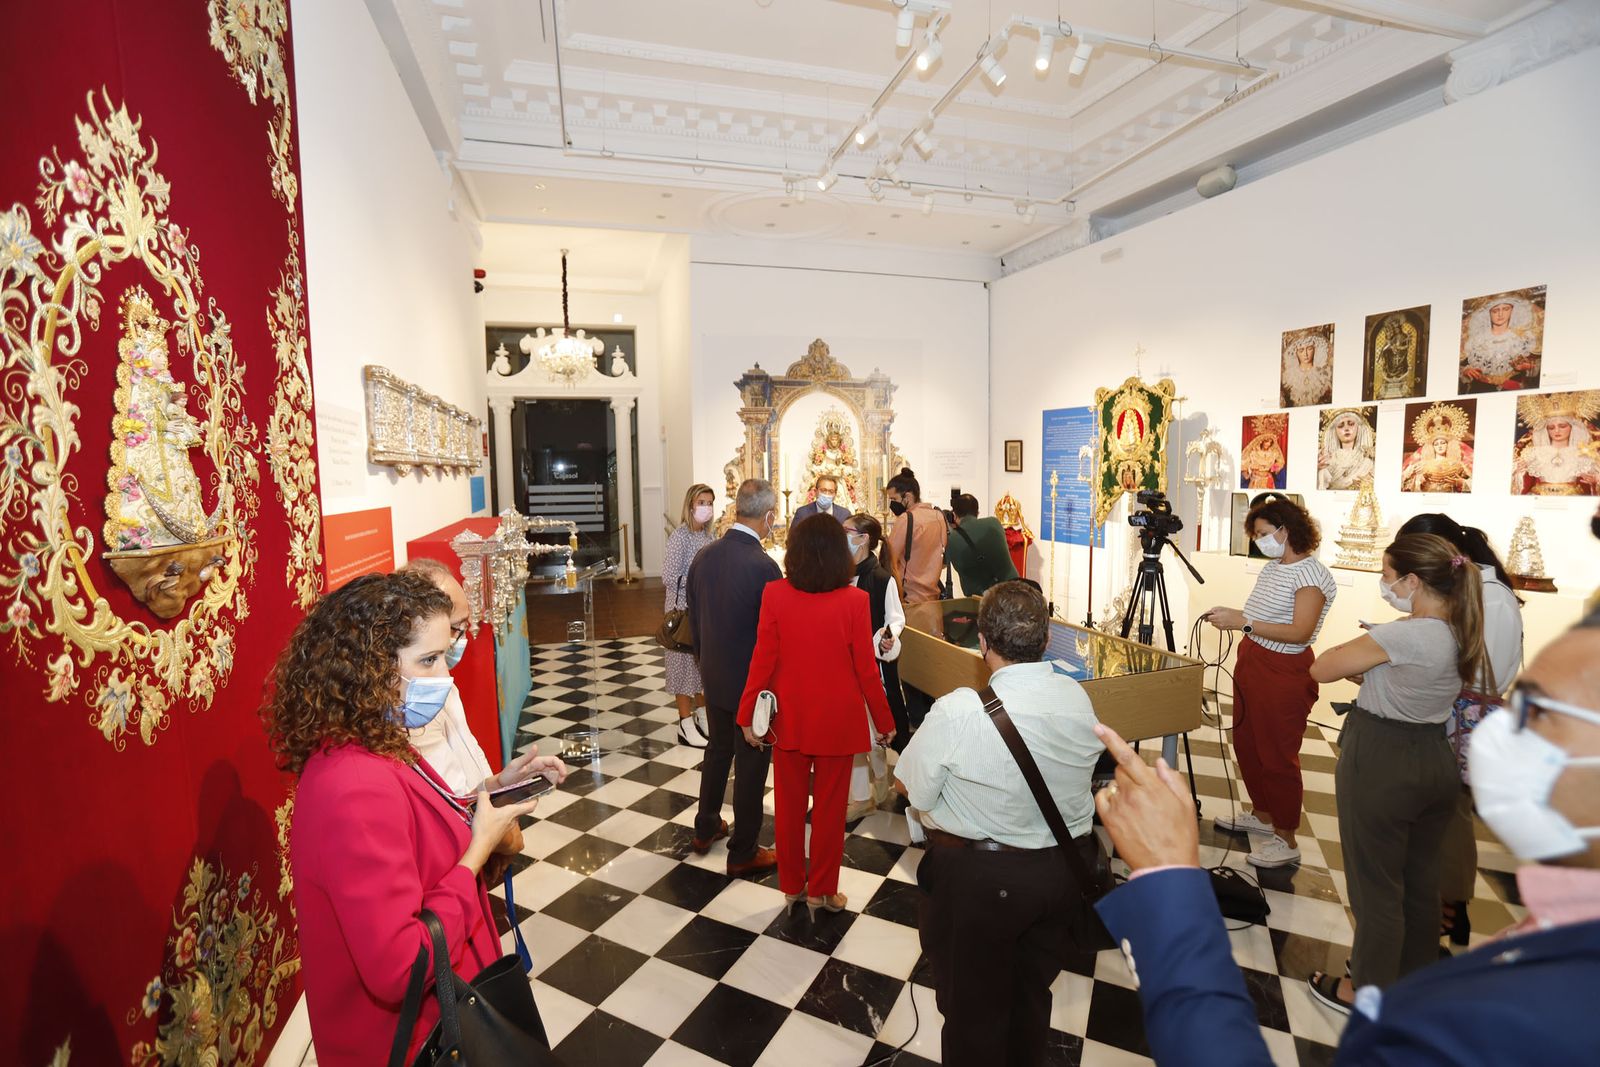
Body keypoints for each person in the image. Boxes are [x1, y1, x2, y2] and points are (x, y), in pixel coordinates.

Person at [1089, 609, 1600, 1066]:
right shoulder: (1555, 932)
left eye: (1540, 712)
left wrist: (1169, 882)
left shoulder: (1546, 1014)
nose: (1500, 731)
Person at [265, 572, 567, 1065]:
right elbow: (399, 966)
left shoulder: (377, 739)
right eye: (427, 660)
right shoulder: (352, 783)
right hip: (414, 1039)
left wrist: (494, 788)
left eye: (443, 656)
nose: (443, 678)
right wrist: (476, 855)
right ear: (368, 666)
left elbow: (420, 822)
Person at [895, 581, 1104, 1066]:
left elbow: (914, 789)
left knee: (972, 1015)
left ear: (983, 643)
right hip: (1061, 877)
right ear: (1046, 639)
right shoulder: (1077, 699)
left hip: (981, 885)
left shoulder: (959, 710)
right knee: (1030, 999)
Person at [1305, 533, 1490, 1011]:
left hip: (1384, 757)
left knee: (1376, 888)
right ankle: (1413, 976)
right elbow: (1412, 680)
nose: (1384, 585)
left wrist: (1377, 644)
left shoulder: (1404, 633)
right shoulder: (1460, 628)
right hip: (1433, 756)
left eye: (1388, 576)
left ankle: (1363, 989)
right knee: (1420, 881)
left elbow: (1322, 668)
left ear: (1413, 580)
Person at [737, 514, 895, 915]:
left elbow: (762, 660)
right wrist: (885, 719)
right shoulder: (855, 601)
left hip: (788, 718)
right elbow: (865, 669)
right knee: (829, 811)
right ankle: (823, 890)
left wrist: (746, 715)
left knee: (788, 810)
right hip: (838, 721)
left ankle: (791, 885)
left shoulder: (776, 594)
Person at [1394, 514, 1523, 948]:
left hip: (1466, 715)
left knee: (1450, 816)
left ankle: (1452, 908)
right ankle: (1441, 904)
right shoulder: (1466, 588)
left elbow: (1487, 672)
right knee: (1439, 813)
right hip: (1448, 710)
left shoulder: (1494, 597)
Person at [1203, 495, 1338, 869]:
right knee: (1247, 742)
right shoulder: (1274, 568)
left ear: (1286, 529)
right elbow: (1261, 616)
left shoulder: (1311, 575)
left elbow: (1299, 632)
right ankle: (1263, 815)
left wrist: (1242, 621)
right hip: (1254, 660)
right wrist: (1234, 617)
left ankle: (1286, 836)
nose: (1260, 541)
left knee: (1277, 754)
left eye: (1264, 533)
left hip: (1284, 670)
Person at [396, 557, 523, 881]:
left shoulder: (439, 686)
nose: (461, 639)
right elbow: (446, 801)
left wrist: (497, 783)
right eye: (456, 628)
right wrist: (499, 840)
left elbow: (463, 767)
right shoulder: (413, 704)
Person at [685, 478, 783, 877]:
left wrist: (705, 662)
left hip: (713, 674)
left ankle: (706, 826)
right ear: (769, 517)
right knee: (751, 764)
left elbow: (693, 618)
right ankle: (743, 850)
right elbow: (776, 634)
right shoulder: (765, 567)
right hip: (751, 686)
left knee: (717, 751)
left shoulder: (704, 557)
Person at [844, 513, 911, 753]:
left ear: (863, 539)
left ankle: (901, 773)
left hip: (876, 662)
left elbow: (895, 618)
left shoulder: (881, 578)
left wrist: (888, 636)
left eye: (846, 533)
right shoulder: (840, 574)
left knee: (887, 718)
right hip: (847, 662)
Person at [663, 483, 717, 748]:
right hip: (682, 613)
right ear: (690, 505)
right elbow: (669, 577)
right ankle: (685, 723)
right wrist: (697, 580)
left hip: (703, 611)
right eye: (701, 502)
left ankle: (702, 715)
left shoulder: (708, 537)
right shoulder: (680, 537)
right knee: (682, 668)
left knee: (701, 668)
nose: (705, 507)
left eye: (709, 503)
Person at [885, 467, 947, 605]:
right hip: (933, 595)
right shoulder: (938, 516)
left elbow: (889, 558)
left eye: (893, 499)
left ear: (907, 497)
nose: (892, 504)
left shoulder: (906, 519)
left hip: (909, 597)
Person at [1461, 293, 1541, 393]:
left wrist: (1528, 367)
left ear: (1512, 310)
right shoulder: (1476, 341)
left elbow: (1538, 365)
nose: (1500, 314)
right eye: (1495, 310)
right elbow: (1461, 365)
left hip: (1511, 390)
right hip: (1479, 390)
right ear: (1488, 313)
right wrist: (1465, 371)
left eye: (1506, 309)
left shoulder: (1523, 338)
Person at [946, 493, 1020, 597]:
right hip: (1012, 591)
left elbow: (947, 563)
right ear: (977, 512)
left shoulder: (952, 539)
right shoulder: (994, 523)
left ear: (954, 515)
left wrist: (951, 530)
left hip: (981, 602)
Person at [1317, 407, 1376, 491]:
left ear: (1358, 428)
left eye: (1351, 424)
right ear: (1335, 431)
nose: (1346, 429)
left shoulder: (1367, 461)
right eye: (1341, 426)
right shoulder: (1328, 459)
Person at [1281, 332, 1332, 407]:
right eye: (1301, 350)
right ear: (1296, 353)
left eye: (1309, 349)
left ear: (1315, 350)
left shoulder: (1323, 375)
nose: (1305, 354)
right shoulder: (1289, 377)